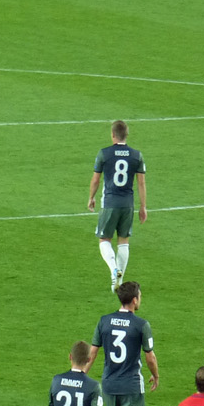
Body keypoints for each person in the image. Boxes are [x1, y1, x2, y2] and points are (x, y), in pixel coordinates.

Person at [88, 120, 147, 291]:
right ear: (126, 135)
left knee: (104, 239)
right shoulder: (137, 155)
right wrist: (143, 207)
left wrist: (91, 197)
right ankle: (119, 280)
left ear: (112, 135)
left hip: (110, 203)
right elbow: (141, 183)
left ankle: (114, 269)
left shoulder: (104, 154)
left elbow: (96, 179)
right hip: (128, 204)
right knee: (124, 241)